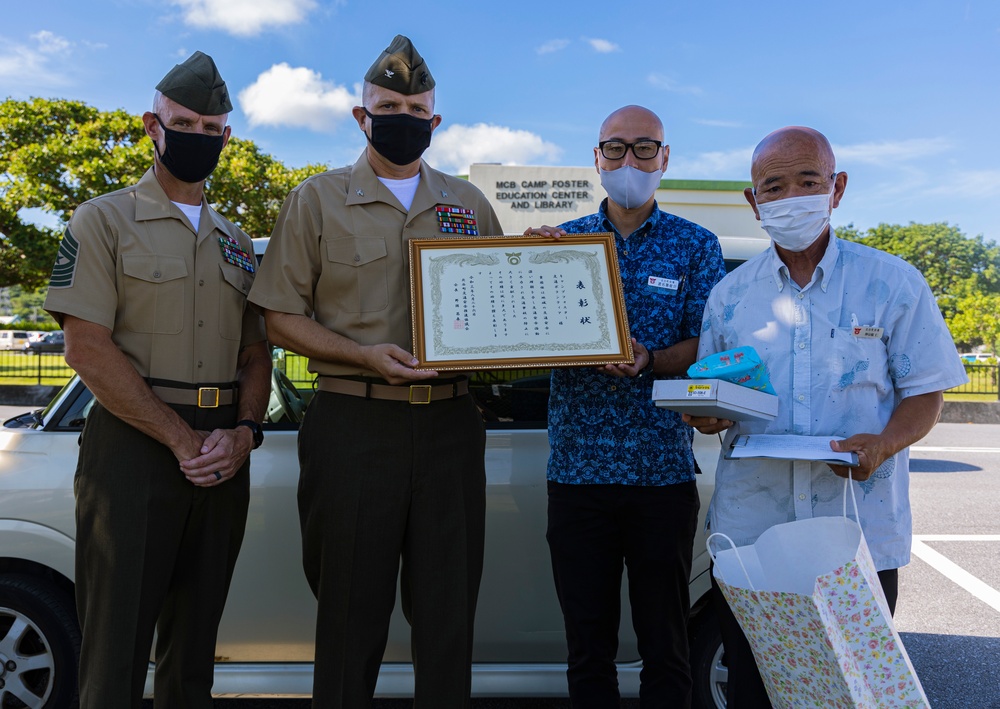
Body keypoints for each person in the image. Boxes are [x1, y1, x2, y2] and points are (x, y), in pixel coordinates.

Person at [247, 35, 503, 708]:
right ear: (361, 117)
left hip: (450, 425)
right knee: (349, 620)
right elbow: (278, 316)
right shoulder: (317, 200)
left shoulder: (469, 205)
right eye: (387, 105)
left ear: (435, 121)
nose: (402, 116)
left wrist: (547, 266)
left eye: (415, 107)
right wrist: (363, 354)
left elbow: (504, 306)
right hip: (354, 424)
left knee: (448, 621)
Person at [685, 126, 968, 708]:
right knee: (752, 690)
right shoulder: (729, 297)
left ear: (837, 188)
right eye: (774, 185)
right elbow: (714, 393)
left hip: (856, 538)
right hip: (751, 536)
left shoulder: (892, 283)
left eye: (808, 181)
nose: (792, 197)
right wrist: (707, 415)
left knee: (851, 689)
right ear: (753, 200)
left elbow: (926, 392)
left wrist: (884, 444)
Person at [42, 51, 271, 709]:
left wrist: (246, 433)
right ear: (153, 124)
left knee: (193, 655)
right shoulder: (103, 220)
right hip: (134, 449)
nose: (198, 135)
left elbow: (256, 353)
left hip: (223, 455)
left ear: (226, 137)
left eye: (211, 126)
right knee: (114, 654)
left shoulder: (235, 240)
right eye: (184, 122)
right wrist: (177, 438)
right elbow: (85, 346)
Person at [527, 105, 726, 708]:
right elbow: (524, 331)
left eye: (644, 148)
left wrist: (650, 358)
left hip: (659, 477)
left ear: (665, 158)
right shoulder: (564, 245)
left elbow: (707, 344)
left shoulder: (696, 246)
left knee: (665, 643)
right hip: (577, 476)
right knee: (587, 646)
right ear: (597, 158)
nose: (628, 161)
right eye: (615, 148)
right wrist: (523, 267)